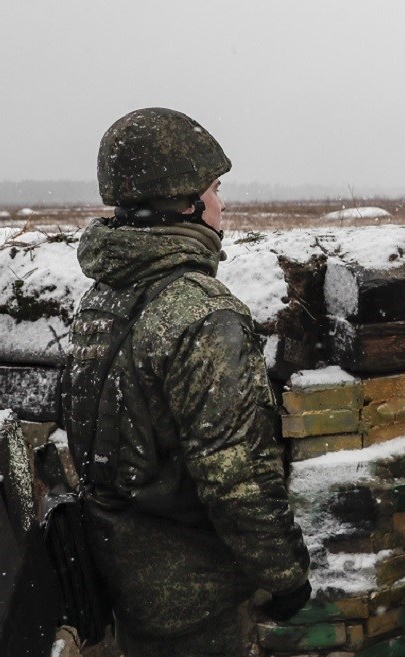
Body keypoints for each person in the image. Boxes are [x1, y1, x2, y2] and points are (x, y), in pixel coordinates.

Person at [60, 107, 311, 657]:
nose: (223, 203)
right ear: (186, 203)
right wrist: (285, 572)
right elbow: (235, 473)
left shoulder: (104, 297)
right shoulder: (201, 314)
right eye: (215, 188)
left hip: (130, 582)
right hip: (199, 600)